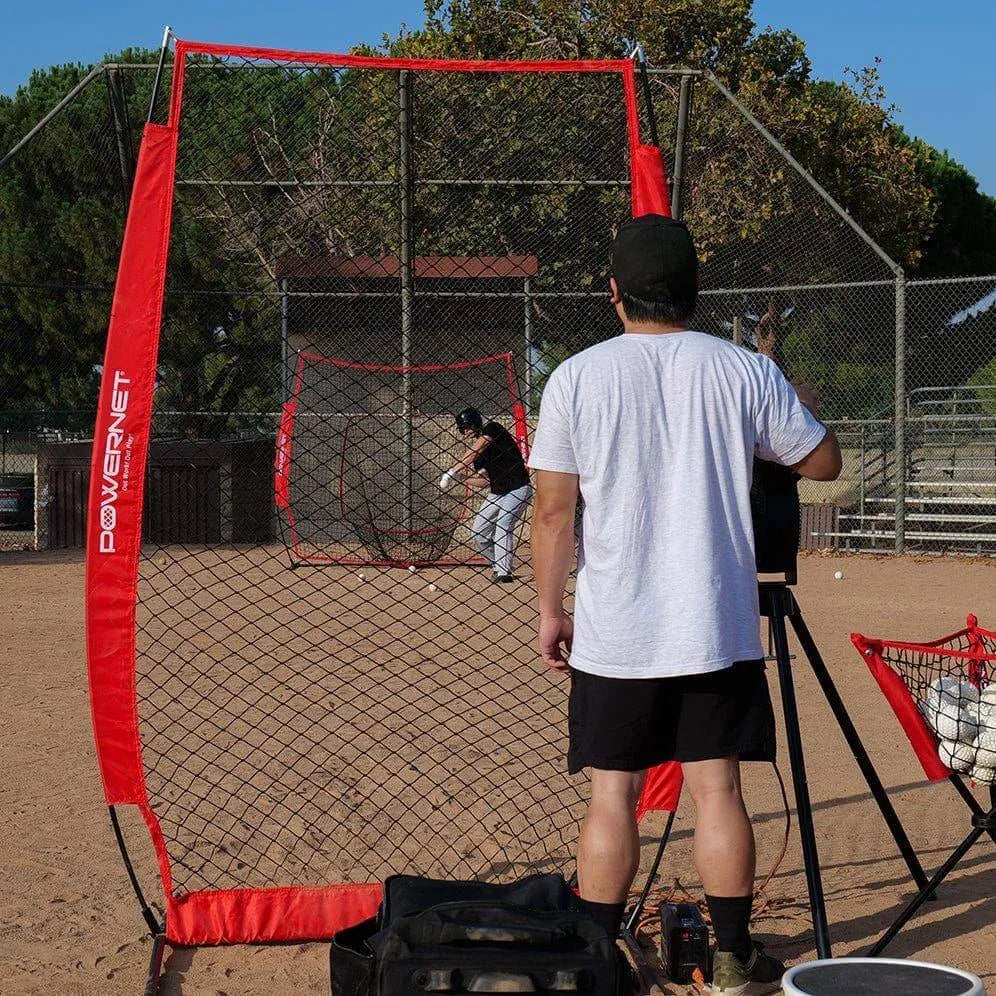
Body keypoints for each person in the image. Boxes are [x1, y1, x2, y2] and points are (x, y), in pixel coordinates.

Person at [528, 214, 842, 995]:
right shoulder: (741, 370)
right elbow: (824, 462)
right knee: (718, 789)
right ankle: (733, 958)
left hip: (617, 630)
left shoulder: (576, 376)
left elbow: (553, 512)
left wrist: (550, 610)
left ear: (614, 294)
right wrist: (793, 400)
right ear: (696, 293)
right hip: (714, 626)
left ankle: (596, 960)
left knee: (614, 793)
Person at [443, 407, 532, 583]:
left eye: (468, 427)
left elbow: (477, 448)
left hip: (518, 487)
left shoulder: (493, 429)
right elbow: (485, 481)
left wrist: (453, 471)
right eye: (463, 429)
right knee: (479, 532)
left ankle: (504, 573)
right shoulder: (479, 459)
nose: (466, 431)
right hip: (498, 492)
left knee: (503, 524)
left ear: (476, 423)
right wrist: (462, 479)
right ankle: (499, 565)